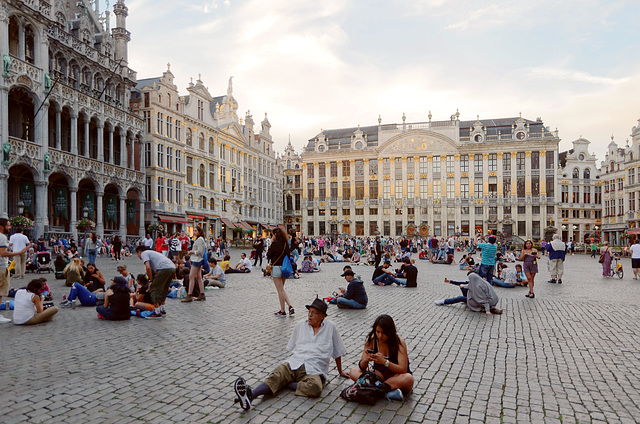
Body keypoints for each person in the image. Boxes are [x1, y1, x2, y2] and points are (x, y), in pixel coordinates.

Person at [233, 298, 347, 410]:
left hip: (314, 368)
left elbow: (337, 351)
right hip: (295, 362)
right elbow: (292, 348)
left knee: (315, 388)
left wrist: (340, 371)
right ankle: (250, 396)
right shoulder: (300, 325)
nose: (310, 315)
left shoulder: (330, 327)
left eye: (314, 313)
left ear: (322, 316)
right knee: (276, 375)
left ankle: (285, 384)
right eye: (309, 312)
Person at [348, 315, 413, 401]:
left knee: (408, 378)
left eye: (383, 333)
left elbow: (403, 369)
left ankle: (374, 388)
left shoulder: (399, 342)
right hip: (380, 376)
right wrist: (366, 360)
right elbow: (361, 367)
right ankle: (384, 391)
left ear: (390, 332)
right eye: (378, 332)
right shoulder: (372, 341)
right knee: (353, 372)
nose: (380, 336)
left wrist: (385, 362)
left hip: (396, 377)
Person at [136, 244, 176, 318]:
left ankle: (157, 311)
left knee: (153, 289)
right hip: (172, 267)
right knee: (164, 288)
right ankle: (162, 309)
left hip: (164, 268)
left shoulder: (144, 253)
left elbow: (148, 268)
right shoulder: (152, 253)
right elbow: (153, 271)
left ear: (139, 252)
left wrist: (151, 281)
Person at [435, 272, 502, 315]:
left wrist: (487, 310)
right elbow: (466, 285)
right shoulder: (481, 282)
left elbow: (483, 299)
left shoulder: (479, 288)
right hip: (491, 301)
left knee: (460, 298)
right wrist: (452, 282)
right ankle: (467, 300)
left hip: (487, 302)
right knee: (463, 287)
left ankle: (444, 301)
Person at [267, 227, 294, 317]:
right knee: (282, 289)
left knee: (280, 290)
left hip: (276, 267)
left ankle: (283, 311)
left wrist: (271, 244)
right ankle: (290, 306)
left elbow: (269, 255)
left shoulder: (275, 243)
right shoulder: (285, 244)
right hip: (285, 268)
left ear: (275, 234)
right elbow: (288, 255)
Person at [182, 226, 206, 302]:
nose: (194, 232)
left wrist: (192, 252)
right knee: (198, 277)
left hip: (197, 260)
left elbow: (199, 251)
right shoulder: (199, 239)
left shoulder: (200, 240)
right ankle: (202, 294)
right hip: (197, 259)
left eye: (196, 231)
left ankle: (189, 295)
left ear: (199, 232)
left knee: (191, 277)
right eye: (194, 231)